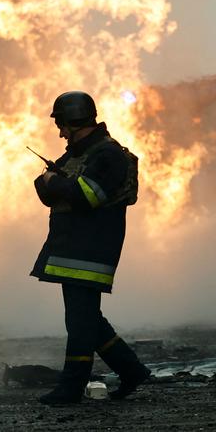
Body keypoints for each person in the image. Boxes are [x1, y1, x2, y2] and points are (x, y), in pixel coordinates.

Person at [32, 91, 150, 404]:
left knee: (80, 323)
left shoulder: (108, 155)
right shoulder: (79, 154)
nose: (60, 132)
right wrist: (53, 183)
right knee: (89, 320)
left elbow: (87, 195)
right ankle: (132, 371)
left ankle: (71, 387)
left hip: (90, 251)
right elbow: (44, 188)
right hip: (72, 249)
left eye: (61, 124)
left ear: (73, 120)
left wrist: (55, 182)